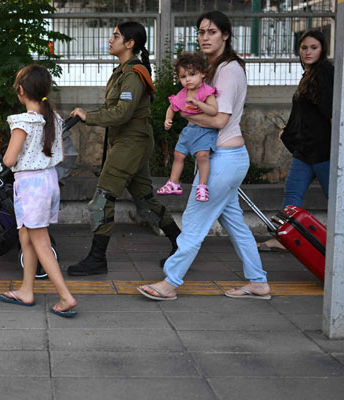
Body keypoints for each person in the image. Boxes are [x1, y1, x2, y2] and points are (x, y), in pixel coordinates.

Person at [137, 11, 271, 301]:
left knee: (194, 221)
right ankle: (258, 281)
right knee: (235, 224)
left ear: (225, 35)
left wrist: (185, 114)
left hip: (223, 158)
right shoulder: (212, 69)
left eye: (211, 32)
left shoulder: (228, 70)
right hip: (225, 158)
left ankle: (170, 282)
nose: (205, 37)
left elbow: (221, 120)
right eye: (201, 32)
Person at [67, 21, 181, 276]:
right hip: (129, 141)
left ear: (130, 43)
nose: (110, 39)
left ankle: (97, 259)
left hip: (132, 142)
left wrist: (89, 117)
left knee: (102, 199)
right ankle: (181, 244)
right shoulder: (123, 70)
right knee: (144, 197)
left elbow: (122, 112)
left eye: (116, 36)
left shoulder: (133, 73)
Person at [257, 30, 344, 258]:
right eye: (304, 48)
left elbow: (331, 112)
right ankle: (284, 237)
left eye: (313, 47)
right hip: (306, 149)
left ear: (322, 49)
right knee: (293, 193)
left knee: (337, 196)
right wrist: (291, 130)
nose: (308, 52)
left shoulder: (324, 73)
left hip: (323, 150)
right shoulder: (310, 74)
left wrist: (340, 147)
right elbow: (307, 113)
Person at [0, 65, 77, 317]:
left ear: (20, 90)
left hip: (31, 186)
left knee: (40, 241)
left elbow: (9, 160)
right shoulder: (53, 118)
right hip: (49, 181)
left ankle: (65, 297)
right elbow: (61, 156)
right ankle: (26, 290)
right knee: (26, 237)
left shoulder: (23, 122)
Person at [157, 52, 219, 202]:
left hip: (205, 130)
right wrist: (168, 119)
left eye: (192, 74)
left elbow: (213, 111)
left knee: (202, 156)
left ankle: (202, 186)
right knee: (178, 155)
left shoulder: (206, 91)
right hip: (189, 130)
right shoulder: (183, 93)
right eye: (183, 77)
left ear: (203, 73)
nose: (188, 79)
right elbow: (172, 107)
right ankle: (173, 182)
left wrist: (198, 103)